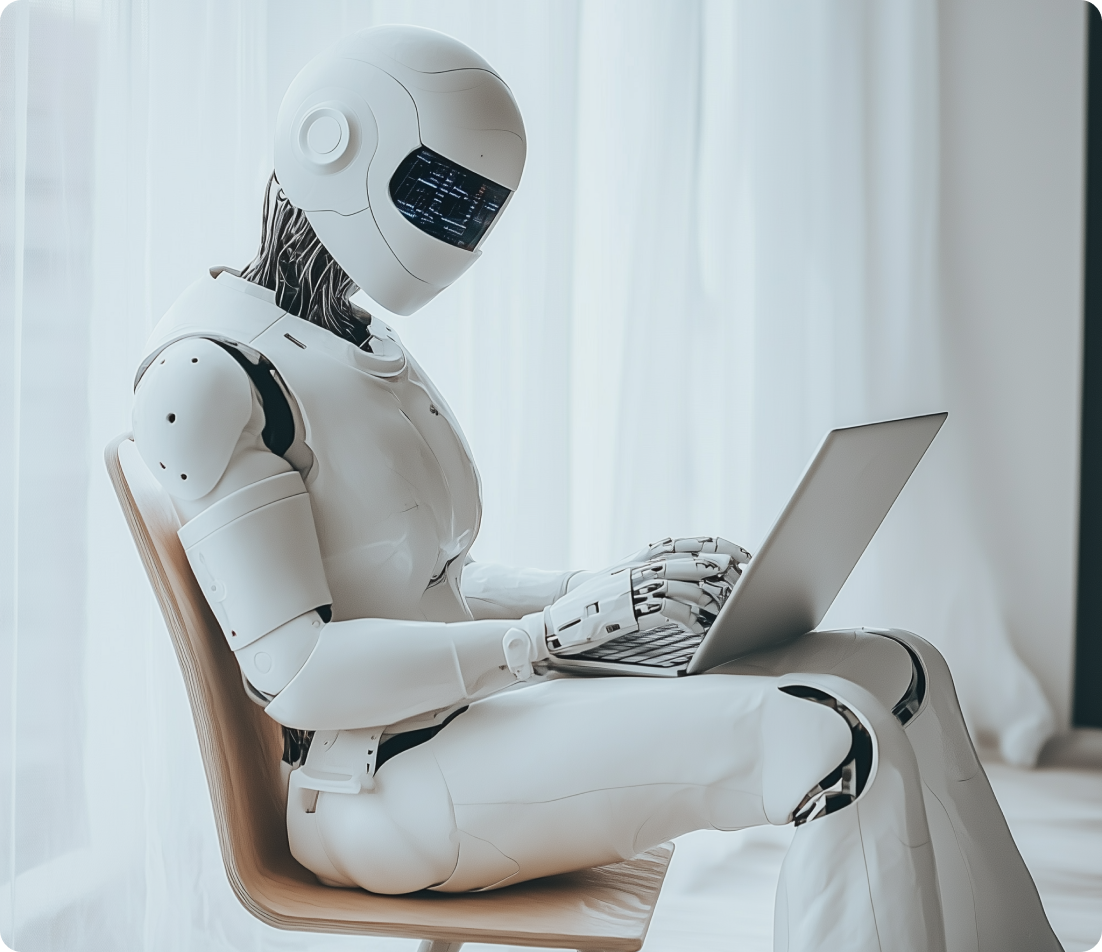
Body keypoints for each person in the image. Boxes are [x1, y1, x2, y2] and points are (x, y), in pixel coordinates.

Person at [130, 25, 1062, 952]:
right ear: (331, 143)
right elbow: (296, 674)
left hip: (473, 724)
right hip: (382, 786)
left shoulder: (356, 341)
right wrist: (544, 640)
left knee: (901, 670)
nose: (462, 230)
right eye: (445, 195)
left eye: (482, 208)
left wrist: (614, 592)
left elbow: (429, 586)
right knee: (832, 737)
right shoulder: (210, 378)